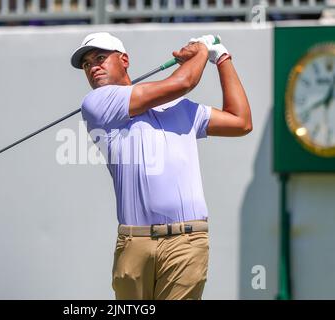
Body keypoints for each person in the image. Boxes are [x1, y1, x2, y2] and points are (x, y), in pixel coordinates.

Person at [70, 32, 252, 300]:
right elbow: (184, 81)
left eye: (100, 58)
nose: (93, 67)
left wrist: (222, 58)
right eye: (86, 64)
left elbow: (240, 122)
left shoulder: (181, 107)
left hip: (187, 242)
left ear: (124, 60)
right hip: (135, 243)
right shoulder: (97, 103)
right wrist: (203, 49)